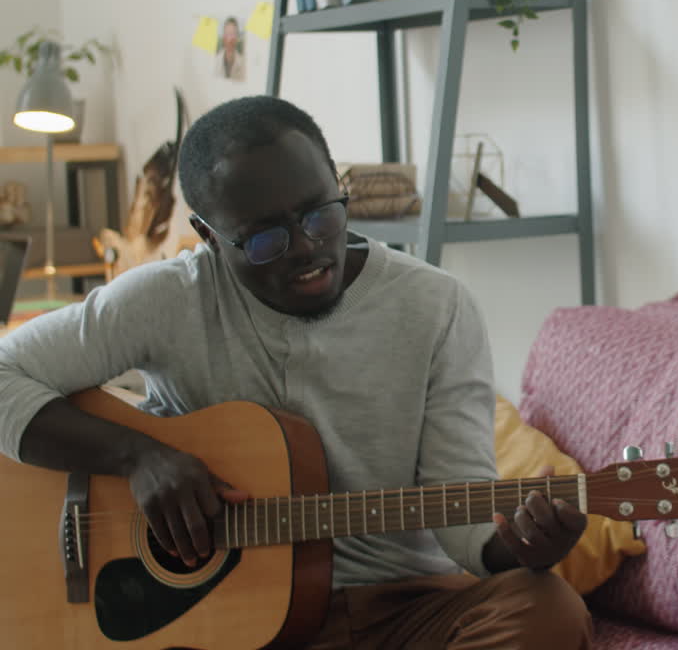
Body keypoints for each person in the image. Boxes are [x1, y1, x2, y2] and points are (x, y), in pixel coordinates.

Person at [0, 95, 592, 649]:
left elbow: (463, 516)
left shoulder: (436, 307)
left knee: (547, 611)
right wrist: (136, 456)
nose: (306, 249)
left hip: (407, 608)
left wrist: (518, 549)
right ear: (208, 236)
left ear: (339, 187)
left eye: (320, 215)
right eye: (264, 240)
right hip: (227, 616)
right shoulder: (166, 299)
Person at [216, 17, 246, 81]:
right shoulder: (216, 61)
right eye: (228, 34)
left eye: (233, 34)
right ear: (223, 37)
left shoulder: (243, 63)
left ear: (237, 38)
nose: (230, 39)